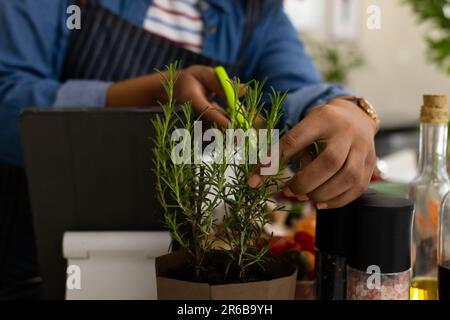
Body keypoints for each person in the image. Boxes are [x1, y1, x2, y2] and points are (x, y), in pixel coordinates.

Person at [0, 0, 378, 294]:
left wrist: (348, 110)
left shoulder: (255, 13)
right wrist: (151, 92)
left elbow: (292, 98)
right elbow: (7, 99)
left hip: (188, 270)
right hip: (29, 262)